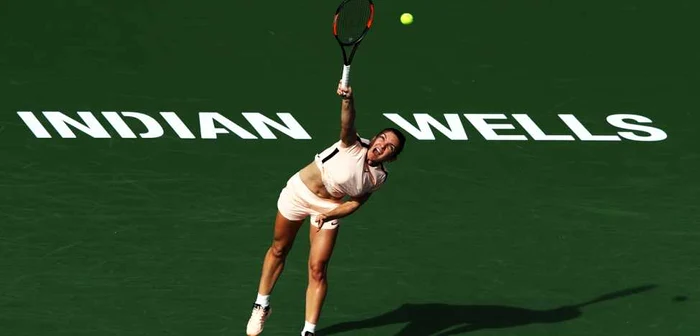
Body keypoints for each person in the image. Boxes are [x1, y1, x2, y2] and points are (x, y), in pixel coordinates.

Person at [245, 81, 407, 336]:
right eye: (382, 138)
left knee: (318, 268)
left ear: (392, 157)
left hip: (329, 207)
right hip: (298, 194)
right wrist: (347, 100)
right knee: (279, 248)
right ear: (374, 138)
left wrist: (328, 214)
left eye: (390, 147)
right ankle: (261, 304)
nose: (383, 145)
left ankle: (308, 332)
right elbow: (347, 122)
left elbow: (354, 203)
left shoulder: (378, 178)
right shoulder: (352, 143)